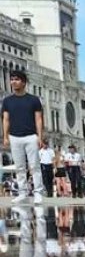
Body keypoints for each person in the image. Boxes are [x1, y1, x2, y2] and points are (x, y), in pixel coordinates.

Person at [1, 70, 45, 203]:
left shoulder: (33, 100)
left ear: (24, 82)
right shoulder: (7, 101)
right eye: (12, 79)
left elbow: (38, 119)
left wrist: (40, 136)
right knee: (19, 167)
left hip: (31, 136)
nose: (13, 82)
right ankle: (22, 193)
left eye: (17, 79)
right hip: (15, 136)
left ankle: (38, 192)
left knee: (34, 165)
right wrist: (5, 136)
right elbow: (5, 119)